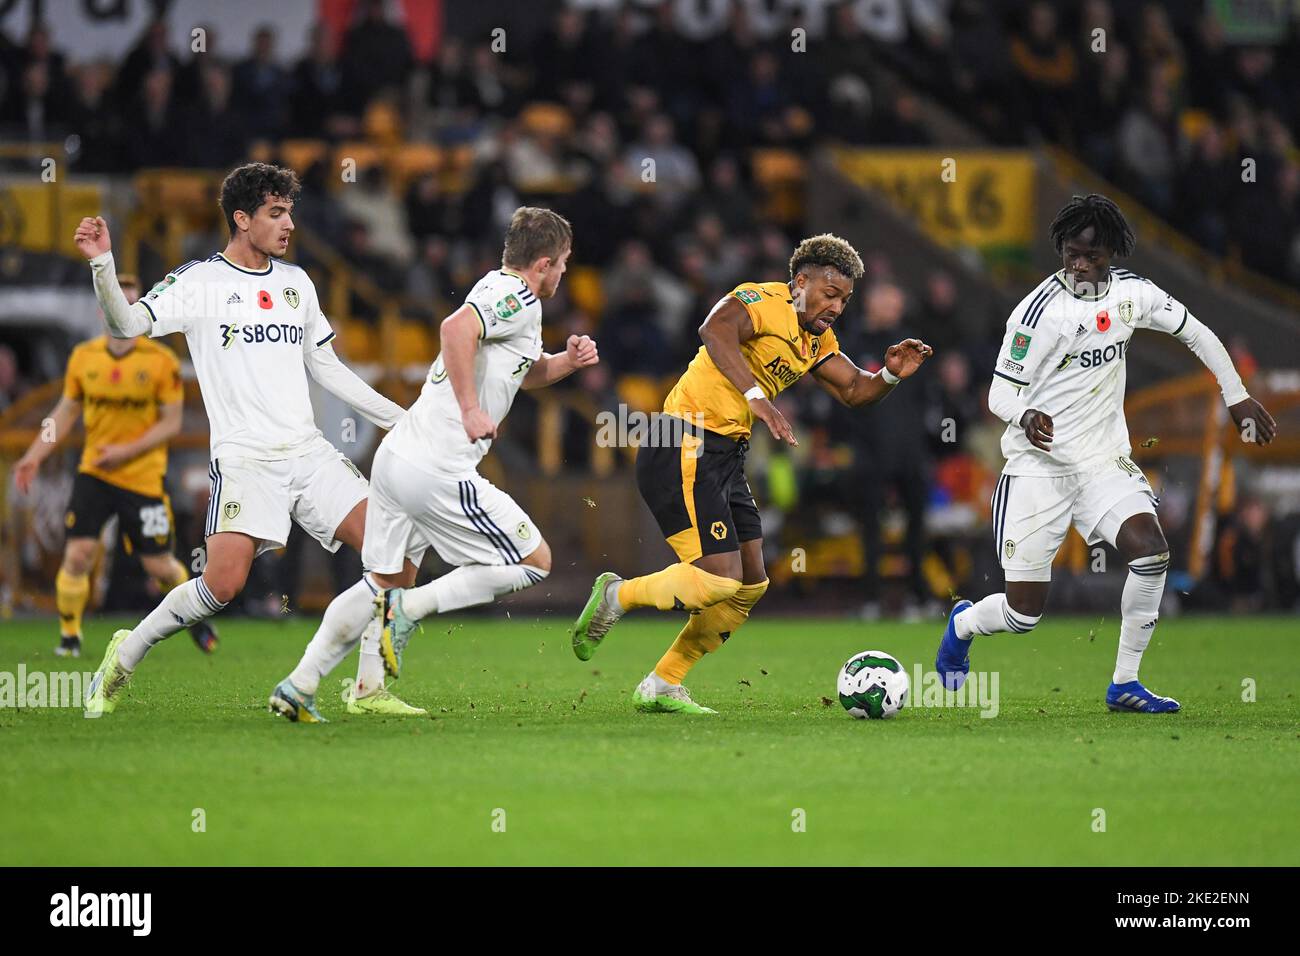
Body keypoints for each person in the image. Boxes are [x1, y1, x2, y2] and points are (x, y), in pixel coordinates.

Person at [76, 162, 406, 717]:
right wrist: (104, 265)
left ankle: (368, 689)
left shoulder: (296, 283)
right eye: (277, 213)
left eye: (290, 212)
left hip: (308, 452)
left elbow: (328, 368)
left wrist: (402, 418)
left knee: (391, 549)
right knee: (222, 585)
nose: (289, 224)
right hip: (246, 460)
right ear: (242, 218)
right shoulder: (201, 282)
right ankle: (125, 651)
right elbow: (125, 327)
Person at [935, 194, 1278, 712]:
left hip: (1103, 461)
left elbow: (1199, 335)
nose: (1079, 265)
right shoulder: (1036, 313)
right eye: (1071, 253)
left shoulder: (1134, 296)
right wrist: (1025, 415)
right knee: (1024, 616)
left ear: (1112, 253)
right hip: (1039, 468)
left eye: (1090, 256)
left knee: (1152, 551)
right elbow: (999, 394)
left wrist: (1237, 396)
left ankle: (1124, 683)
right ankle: (964, 622)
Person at [569, 234, 933, 714]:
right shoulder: (761, 300)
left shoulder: (815, 338)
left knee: (749, 585)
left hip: (724, 455)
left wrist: (888, 376)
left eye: (845, 298)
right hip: (682, 440)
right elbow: (713, 331)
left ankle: (662, 683)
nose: (837, 306)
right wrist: (755, 396)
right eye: (830, 293)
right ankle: (617, 594)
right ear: (800, 282)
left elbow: (854, 392)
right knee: (718, 580)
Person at [272, 208, 598, 721]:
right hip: (437, 467)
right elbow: (454, 329)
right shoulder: (513, 295)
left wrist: (566, 363)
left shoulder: (512, 298)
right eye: (563, 265)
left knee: (381, 582)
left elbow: (521, 372)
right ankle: (411, 611)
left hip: (398, 457)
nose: (565, 274)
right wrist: (470, 409)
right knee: (534, 561)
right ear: (543, 263)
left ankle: (312, 683)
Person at [13, 274, 217, 657]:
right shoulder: (84, 358)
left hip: (142, 479)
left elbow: (170, 423)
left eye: (129, 304)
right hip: (95, 474)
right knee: (78, 555)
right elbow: (63, 413)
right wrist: (34, 455)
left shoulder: (160, 362)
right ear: (102, 310)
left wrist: (125, 452)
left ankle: (195, 616)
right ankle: (70, 637)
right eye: (115, 303)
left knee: (160, 567)